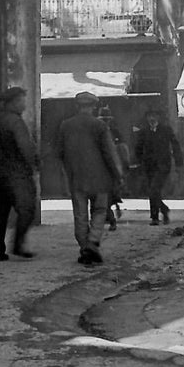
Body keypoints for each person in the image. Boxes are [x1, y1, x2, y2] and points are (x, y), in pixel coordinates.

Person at [53, 91, 125, 265]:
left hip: (76, 177)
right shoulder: (99, 126)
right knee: (99, 210)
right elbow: (109, 153)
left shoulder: (65, 125)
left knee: (80, 214)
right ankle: (92, 242)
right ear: (94, 106)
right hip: (99, 177)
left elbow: (59, 152)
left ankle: (84, 246)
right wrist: (118, 174)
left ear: (77, 106)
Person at [0, 86, 39, 262]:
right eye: (22, 101)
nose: (24, 105)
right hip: (16, 173)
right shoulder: (15, 122)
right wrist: (33, 165)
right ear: (13, 102)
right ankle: (18, 245)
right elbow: (25, 148)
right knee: (27, 208)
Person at [134, 109, 183, 225]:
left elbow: (175, 146)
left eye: (154, 116)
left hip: (163, 166)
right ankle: (161, 212)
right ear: (147, 118)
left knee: (154, 190)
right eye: (149, 116)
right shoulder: (144, 132)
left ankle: (155, 216)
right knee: (153, 191)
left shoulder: (166, 130)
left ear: (158, 117)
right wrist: (139, 162)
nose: (152, 119)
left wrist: (179, 163)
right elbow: (138, 149)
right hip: (149, 166)